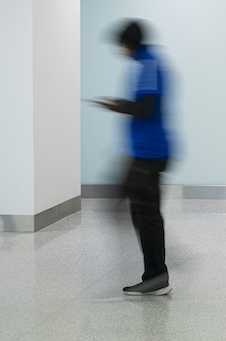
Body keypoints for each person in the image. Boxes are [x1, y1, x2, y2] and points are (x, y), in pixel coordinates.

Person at [92, 20, 172, 296]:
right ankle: (156, 272)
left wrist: (116, 105)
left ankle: (157, 275)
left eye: (121, 46)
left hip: (148, 153)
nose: (120, 51)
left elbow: (145, 108)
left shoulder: (148, 65)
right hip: (143, 151)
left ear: (128, 44)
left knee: (145, 215)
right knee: (140, 211)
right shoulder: (150, 61)